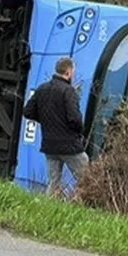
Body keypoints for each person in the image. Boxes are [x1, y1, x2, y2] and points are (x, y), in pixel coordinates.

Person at [23, 57, 89, 196]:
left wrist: (47, 121)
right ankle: (87, 208)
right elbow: (75, 119)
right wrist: (80, 132)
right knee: (87, 180)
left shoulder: (42, 89)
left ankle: (47, 210)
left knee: (54, 182)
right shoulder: (68, 91)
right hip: (69, 145)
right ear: (69, 72)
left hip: (49, 145)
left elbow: (27, 112)